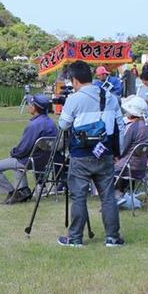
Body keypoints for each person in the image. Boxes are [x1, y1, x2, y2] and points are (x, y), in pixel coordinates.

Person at [56, 60, 127, 248]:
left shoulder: (74, 99)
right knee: (108, 196)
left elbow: (63, 125)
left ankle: (75, 238)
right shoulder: (109, 96)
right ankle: (112, 237)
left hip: (81, 154)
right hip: (105, 152)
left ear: (74, 80)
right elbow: (120, 125)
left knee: (79, 196)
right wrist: (117, 151)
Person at [0, 94, 57, 204]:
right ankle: (23, 190)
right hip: (45, 160)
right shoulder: (51, 123)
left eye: (30, 104)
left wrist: (13, 153)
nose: (28, 106)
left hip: (31, 160)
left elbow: (23, 149)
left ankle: (13, 193)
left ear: (35, 107)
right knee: (16, 163)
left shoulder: (34, 125)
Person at [115, 95, 148, 208]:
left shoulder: (132, 127)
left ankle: (115, 195)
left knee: (104, 166)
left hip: (127, 167)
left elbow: (122, 148)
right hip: (140, 167)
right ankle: (120, 194)